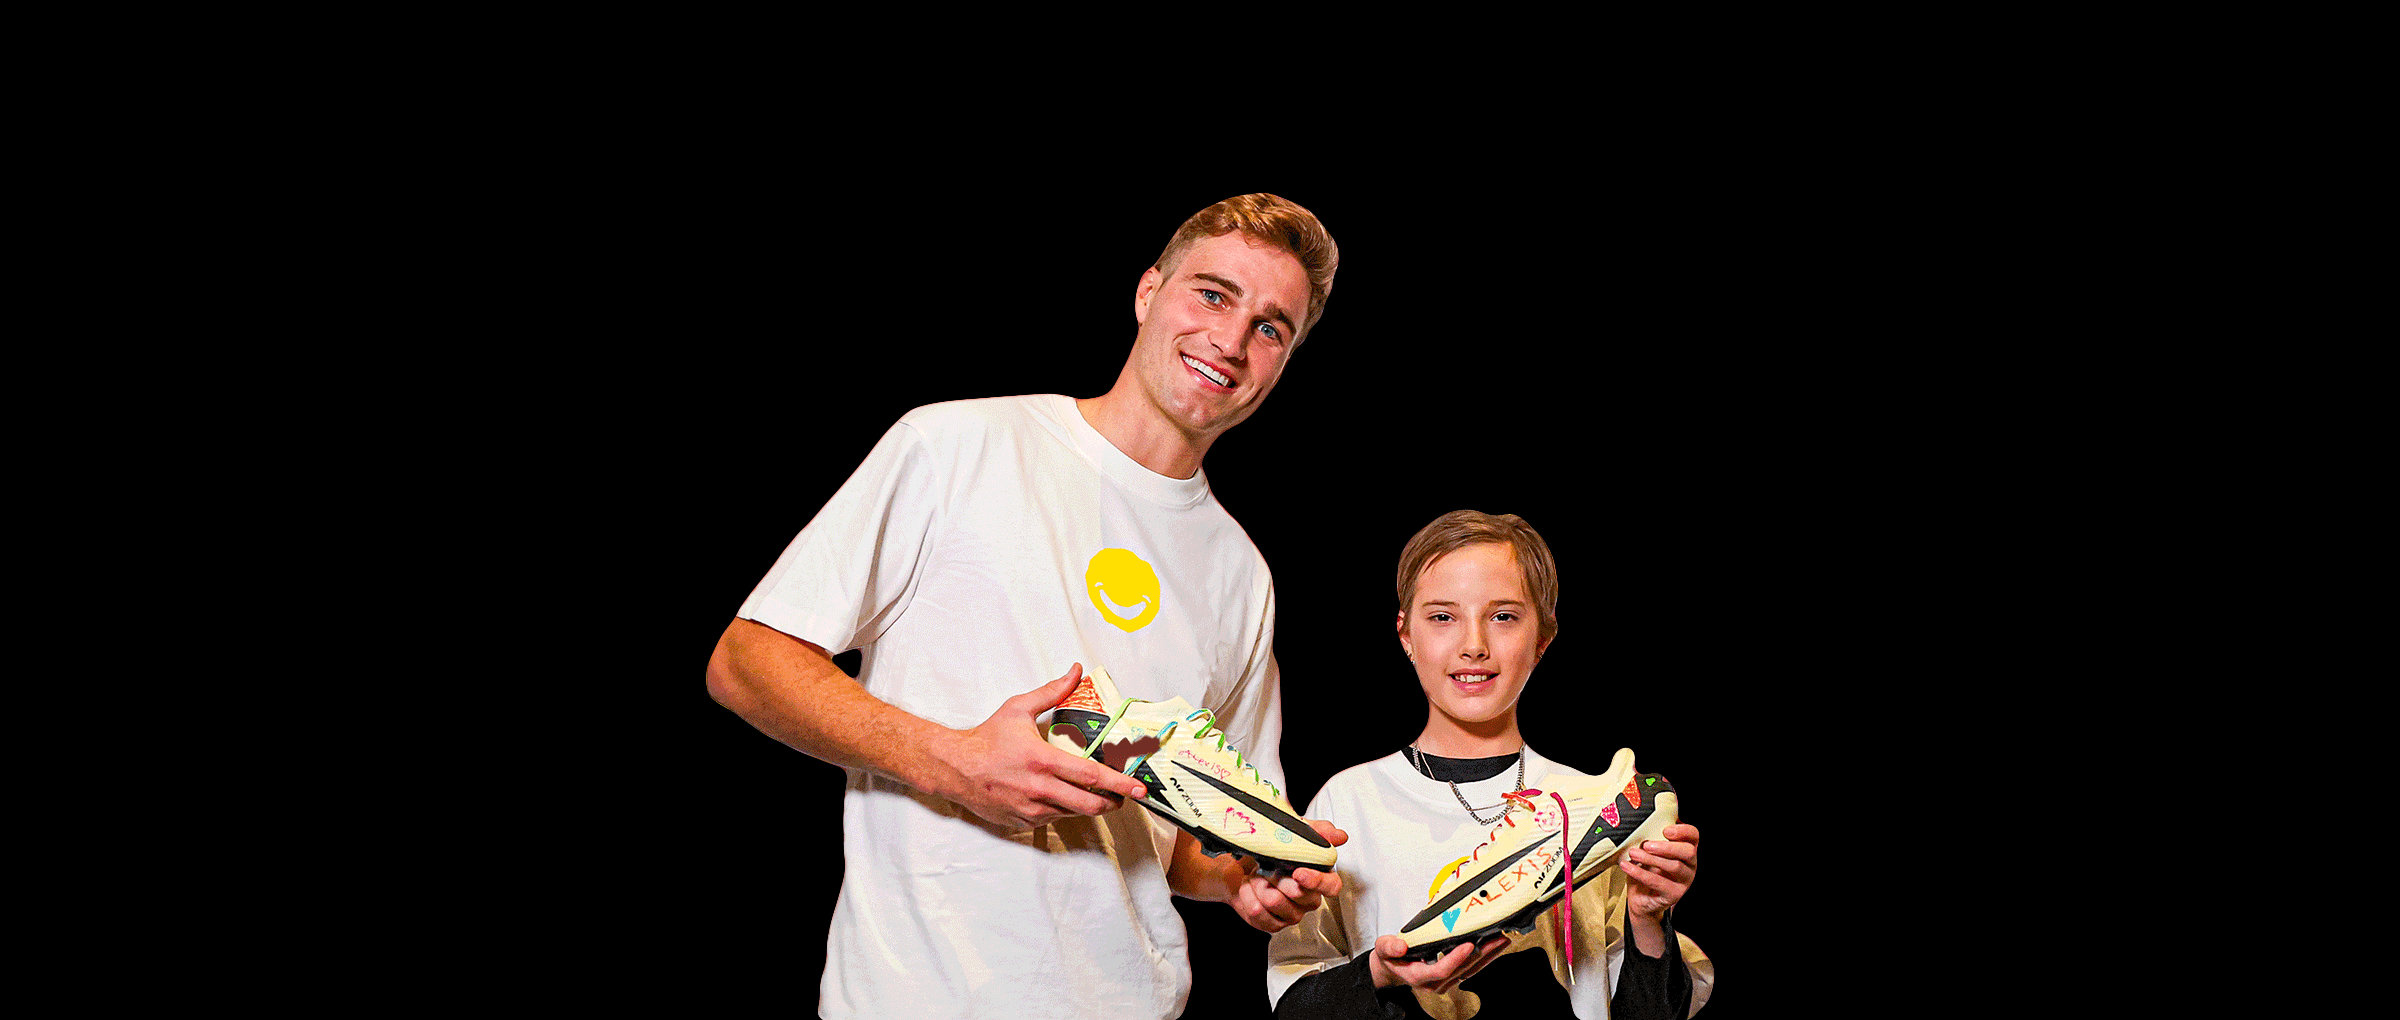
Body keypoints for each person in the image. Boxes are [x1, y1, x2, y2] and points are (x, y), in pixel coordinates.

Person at [706, 194, 1348, 1020]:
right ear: (1149, 291)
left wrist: (1240, 880)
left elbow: (1189, 843)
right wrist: (952, 762)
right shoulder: (955, 447)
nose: (1230, 340)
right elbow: (745, 662)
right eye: (1213, 295)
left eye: (1270, 328)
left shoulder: (1242, 574)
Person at [1266, 511, 1715, 1019]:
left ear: (1542, 638)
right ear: (1406, 635)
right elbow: (1293, 1005)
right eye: (1443, 617)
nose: (1474, 645)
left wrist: (1648, 919)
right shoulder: (1348, 802)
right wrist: (1381, 972)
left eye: (1503, 616)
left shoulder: (1596, 811)